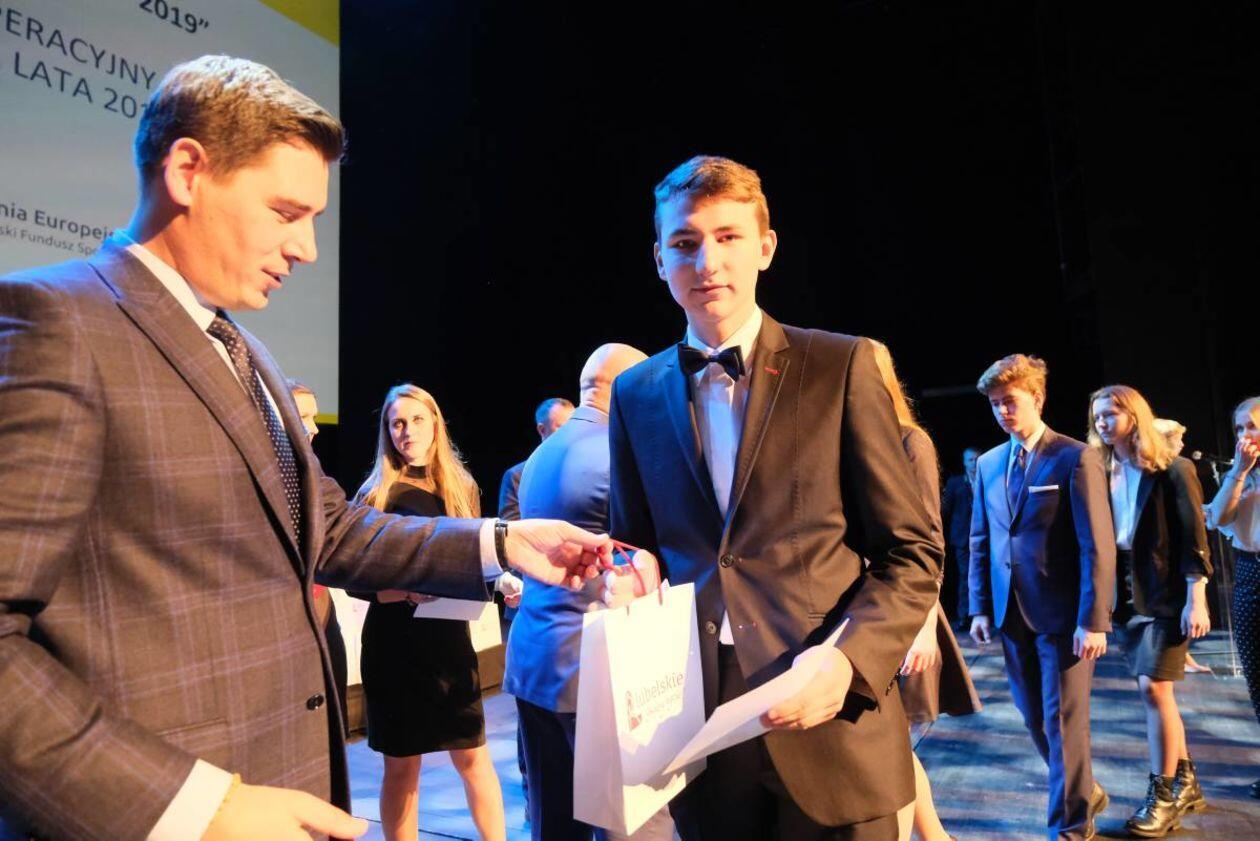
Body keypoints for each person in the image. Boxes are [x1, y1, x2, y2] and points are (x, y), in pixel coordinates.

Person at [0, 55, 611, 841]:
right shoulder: (57, 324)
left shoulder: (245, 350)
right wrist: (196, 809)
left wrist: (501, 542)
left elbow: (332, 528)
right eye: (286, 211)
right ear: (188, 171)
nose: (308, 249)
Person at [609, 155, 941, 840]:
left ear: (765, 246)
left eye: (728, 237)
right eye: (685, 242)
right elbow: (636, 549)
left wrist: (848, 661)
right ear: (659, 259)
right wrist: (618, 578)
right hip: (703, 730)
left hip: (834, 717)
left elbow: (910, 554)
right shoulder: (634, 394)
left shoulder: (840, 364)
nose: (707, 261)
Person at [507, 343, 682, 841]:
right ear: (628, 389)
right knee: (636, 823)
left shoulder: (540, 455)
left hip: (536, 661)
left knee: (555, 824)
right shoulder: (617, 454)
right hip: (600, 672)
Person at [968, 354, 1116, 841]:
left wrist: (1094, 619)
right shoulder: (989, 463)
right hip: (1009, 614)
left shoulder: (1075, 457)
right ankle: (1083, 790)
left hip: (1064, 617)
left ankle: (1070, 828)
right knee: (1034, 717)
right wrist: (979, 606)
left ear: (1037, 397)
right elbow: (981, 539)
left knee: (1063, 723)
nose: (1002, 412)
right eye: (995, 404)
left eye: (1009, 401)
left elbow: (1097, 544)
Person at [353, 384, 508, 841]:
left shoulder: (461, 488)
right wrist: (402, 591)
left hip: (449, 643)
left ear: (436, 424)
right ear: (387, 432)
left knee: (473, 756)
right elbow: (353, 576)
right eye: (397, 423)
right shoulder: (375, 494)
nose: (408, 431)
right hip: (395, 648)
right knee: (403, 768)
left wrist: (501, 582)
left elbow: (474, 558)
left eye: (417, 420)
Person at [1088, 385, 1212, 836]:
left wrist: (1196, 597)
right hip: (1125, 594)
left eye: (1111, 414)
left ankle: (1161, 797)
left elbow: (1193, 535)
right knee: (1157, 693)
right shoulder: (1100, 469)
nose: (1103, 423)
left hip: (1166, 594)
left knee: (1154, 689)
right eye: (1097, 416)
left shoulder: (1173, 468)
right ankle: (1186, 780)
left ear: (1134, 415)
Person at [871, 342, 981, 841]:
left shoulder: (909, 441)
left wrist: (922, 627)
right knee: (891, 745)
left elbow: (928, 541)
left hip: (903, 611)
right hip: (862, 610)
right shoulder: (852, 442)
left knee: (892, 746)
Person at [1204, 395, 1260, 799]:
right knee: (1257, 676)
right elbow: (1218, 518)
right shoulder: (1237, 474)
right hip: (1250, 572)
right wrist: (1239, 473)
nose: (1244, 435)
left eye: (1252, 425)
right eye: (1239, 428)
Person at [287, 378, 350, 734]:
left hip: (323, 615)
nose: (314, 428)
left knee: (333, 727)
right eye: (303, 417)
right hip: (285, 627)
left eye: (314, 417)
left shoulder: (315, 476)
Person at [498, 397, 575, 521]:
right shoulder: (517, 476)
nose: (571, 433)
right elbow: (511, 528)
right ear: (542, 430)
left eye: (573, 427)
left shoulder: (586, 470)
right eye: (562, 427)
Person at [941, 448, 980, 628]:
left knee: (984, 576)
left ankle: (985, 615)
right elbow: (945, 510)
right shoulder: (955, 483)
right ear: (964, 462)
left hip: (984, 537)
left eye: (976, 459)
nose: (974, 463)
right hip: (963, 538)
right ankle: (965, 616)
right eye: (970, 460)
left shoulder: (986, 479)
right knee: (966, 577)